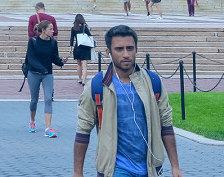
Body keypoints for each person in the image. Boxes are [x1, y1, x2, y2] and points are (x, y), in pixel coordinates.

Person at [72, 25, 184, 177]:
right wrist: (77, 172)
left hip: (150, 168)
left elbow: (166, 125)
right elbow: (83, 131)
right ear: (108, 52)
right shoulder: (97, 85)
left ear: (136, 50)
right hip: (116, 169)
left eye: (130, 48)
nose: (126, 54)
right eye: (119, 49)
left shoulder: (153, 82)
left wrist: (175, 166)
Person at [24, 20, 66, 137]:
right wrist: (41, 68)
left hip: (48, 74)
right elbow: (31, 58)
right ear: (43, 30)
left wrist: (61, 62)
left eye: (53, 29)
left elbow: (54, 58)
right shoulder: (33, 42)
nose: (53, 31)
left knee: (48, 99)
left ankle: (48, 128)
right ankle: (32, 121)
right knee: (34, 100)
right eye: (50, 29)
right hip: (34, 73)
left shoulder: (53, 43)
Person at [70, 14, 93, 85]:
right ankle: (84, 81)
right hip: (85, 47)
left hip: (77, 47)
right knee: (84, 65)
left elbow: (71, 39)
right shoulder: (84, 27)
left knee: (79, 64)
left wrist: (70, 48)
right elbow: (90, 36)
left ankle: (79, 79)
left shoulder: (73, 28)